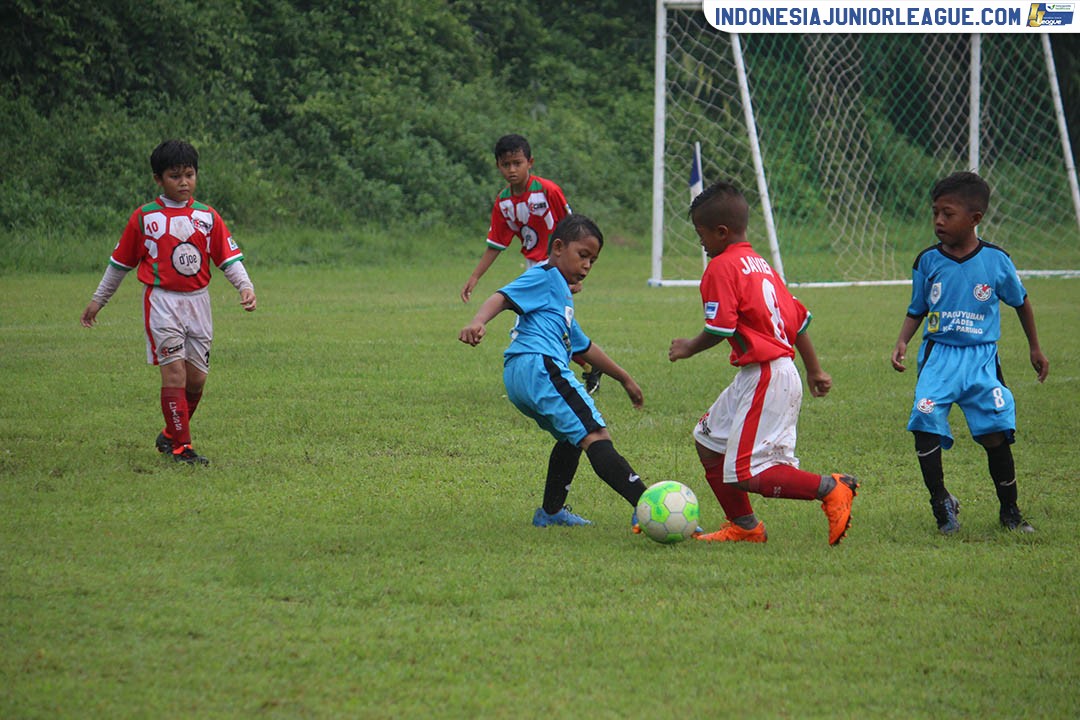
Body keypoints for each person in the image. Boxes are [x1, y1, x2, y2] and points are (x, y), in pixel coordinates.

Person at [668, 181, 859, 545]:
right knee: (708, 444)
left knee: (745, 471)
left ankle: (831, 488)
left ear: (721, 232)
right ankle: (745, 527)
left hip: (767, 374)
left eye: (701, 234)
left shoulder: (721, 267)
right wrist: (815, 369)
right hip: (762, 372)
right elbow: (798, 321)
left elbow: (720, 327)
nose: (701, 243)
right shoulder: (761, 266)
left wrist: (689, 347)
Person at [459, 214, 645, 527]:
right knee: (596, 435)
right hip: (539, 366)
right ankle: (648, 504)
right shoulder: (545, 275)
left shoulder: (560, 294)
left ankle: (551, 512)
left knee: (573, 437)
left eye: (593, 260)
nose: (586, 265)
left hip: (521, 374)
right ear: (557, 247)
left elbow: (583, 346)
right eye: (582, 255)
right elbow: (502, 296)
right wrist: (478, 321)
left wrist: (624, 378)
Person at [80, 140, 257, 465]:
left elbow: (227, 257)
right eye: (175, 176)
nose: (184, 182)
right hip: (162, 304)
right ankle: (181, 448)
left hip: (198, 303)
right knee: (174, 375)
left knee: (197, 379)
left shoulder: (207, 216)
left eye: (189, 174)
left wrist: (245, 286)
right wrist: (98, 300)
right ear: (158, 179)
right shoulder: (145, 218)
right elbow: (120, 264)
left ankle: (169, 434)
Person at [891, 171, 1048, 534]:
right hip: (939, 357)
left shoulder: (996, 261)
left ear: (975, 219)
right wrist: (902, 340)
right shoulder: (927, 261)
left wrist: (1035, 347)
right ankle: (941, 505)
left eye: (948, 214)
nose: (938, 221)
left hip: (981, 359)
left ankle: (1010, 512)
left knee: (995, 433)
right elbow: (918, 308)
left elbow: (1021, 303)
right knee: (924, 425)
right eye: (935, 213)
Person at [460, 134, 602, 394]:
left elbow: (573, 231)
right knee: (553, 323)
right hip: (534, 267)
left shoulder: (548, 191)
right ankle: (588, 364)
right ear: (498, 166)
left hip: (554, 266)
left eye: (517, 163)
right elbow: (496, 243)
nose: (512, 170)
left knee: (526, 326)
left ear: (530, 162)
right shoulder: (503, 201)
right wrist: (475, 276)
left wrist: (572, 275)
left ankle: (549, 377)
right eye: (506, 164)